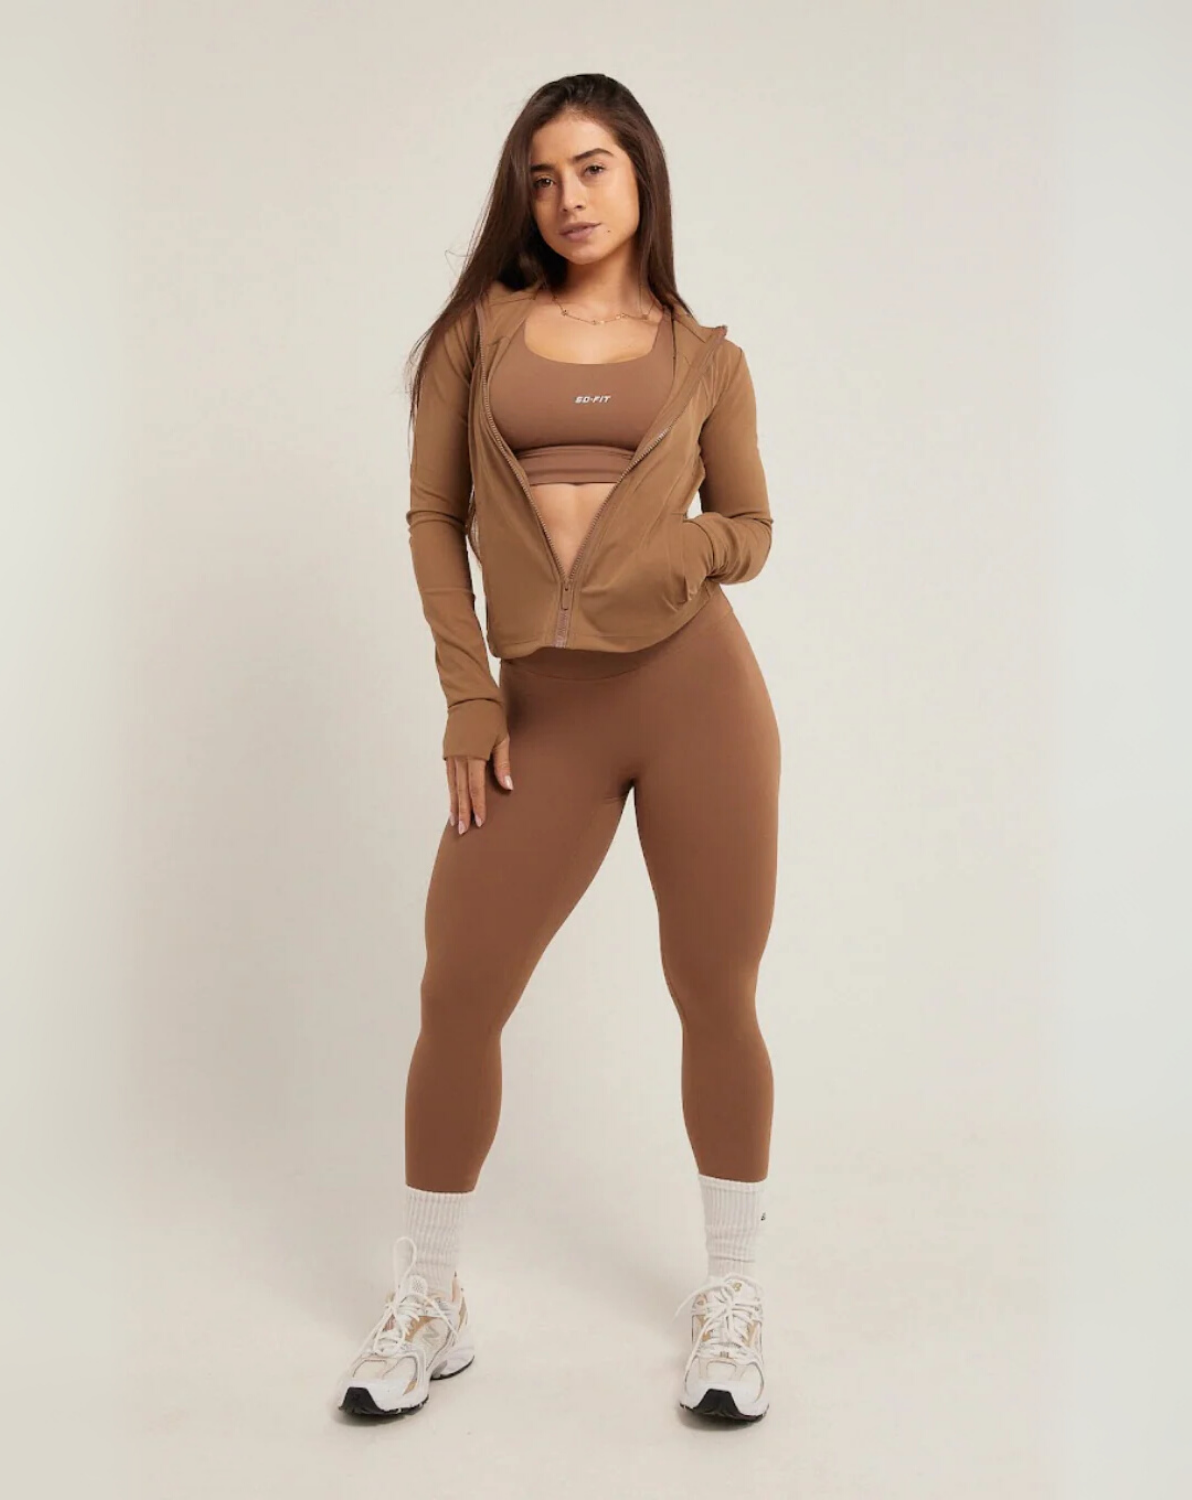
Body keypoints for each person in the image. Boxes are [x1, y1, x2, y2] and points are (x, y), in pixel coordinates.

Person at [334, 73, 780, 1425]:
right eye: (543, 177)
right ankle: (430, 1297)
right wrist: (468, 695)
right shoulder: (478, 337)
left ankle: (734, 1297)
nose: (568, 197)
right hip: (539, 714)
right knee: (460, 987)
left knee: (714, 990)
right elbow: (432, 516)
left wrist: (679, 553)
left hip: (697, 697)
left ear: (641, 175)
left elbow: (751, 529)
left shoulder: (707, 357)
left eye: (592, 167)